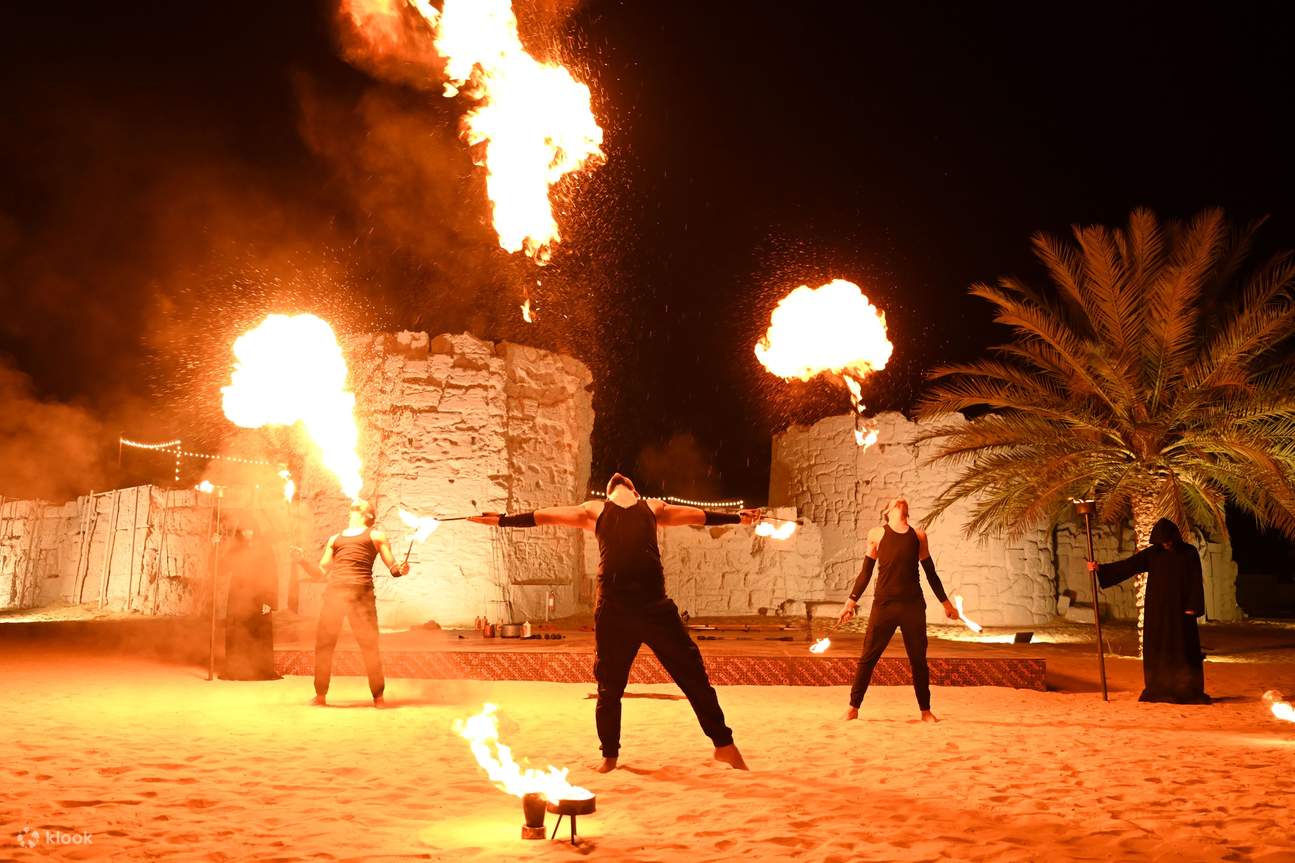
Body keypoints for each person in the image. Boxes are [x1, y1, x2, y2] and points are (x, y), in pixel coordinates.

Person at [469, 473, 756, 772]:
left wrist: (737, 518)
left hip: (655, 608)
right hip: (614, 611)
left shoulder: (652, 508)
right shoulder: (595, 510)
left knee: (693, 676)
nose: (618, 478)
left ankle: (724, 745)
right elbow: (546, 516)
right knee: (609, 686)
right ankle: (610, 755)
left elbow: (696, 515)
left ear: (633, 488)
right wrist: (502, 520)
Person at [837, 497, 960, 722]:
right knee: (868, 657)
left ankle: (925, 711)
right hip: (884, 605)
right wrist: (850, 602)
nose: (899, 499)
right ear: (888, 512)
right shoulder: (877, 534)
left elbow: (931, 573)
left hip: (912, 605)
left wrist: (947, 604)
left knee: (918, 660)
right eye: (894, 501)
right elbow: (865, 573)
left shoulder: (919, 535)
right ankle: (853, 707)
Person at [1088, 518, 1210, 704]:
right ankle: (1160, 688)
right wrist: (1100, 569)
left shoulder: (1189, 553)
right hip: (1158, 610)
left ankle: (1186, 689)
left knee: (1182, 647)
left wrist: (1193, 606)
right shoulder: (1153, 554)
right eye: (1162, 541)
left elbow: (1195, 580)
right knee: (1158, 647)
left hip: (1181, 610)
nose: (1166, 543)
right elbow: (1129, 566)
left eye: (1168, 540)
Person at [311, 500, 408, 707]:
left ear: (368, 514)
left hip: (361, 596)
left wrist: (401, 570)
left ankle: (378, 697)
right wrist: (300, 560)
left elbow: (392, 567)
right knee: (324, 646)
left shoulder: (375, 535)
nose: (358, 502)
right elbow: (321, 572)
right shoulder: (334, 539)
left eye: (362, 504)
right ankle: (320, 696)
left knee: (369, 646)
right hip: (334, 595)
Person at [220, 519, 281, 681]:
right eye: (244, 531)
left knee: (258, 631)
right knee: (237, 631)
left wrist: (269, 600)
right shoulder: (235, 550)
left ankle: (260, 669)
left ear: (255, 531)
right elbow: (221, 569)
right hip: (238, 596)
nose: (247, 534)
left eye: (250, 530)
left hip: (260, 595)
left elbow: (272, 574)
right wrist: (216, 546)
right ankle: (237, 668)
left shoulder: (265, 549)